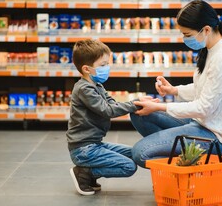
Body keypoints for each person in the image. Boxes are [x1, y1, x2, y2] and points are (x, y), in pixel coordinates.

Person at [130, 0, 222, 168]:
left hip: (215, 135)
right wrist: (173, 90)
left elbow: (204, 107)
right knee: (138, 111)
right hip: (199, 122)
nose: (184, 39)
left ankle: (182, 166)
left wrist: (160, 107)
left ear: (206, 30)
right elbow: (202, 89)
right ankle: (176, 151)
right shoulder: (210, 48)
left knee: (141, 152)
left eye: (187, 34)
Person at [67, 39, 157, 195]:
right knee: (129, 166)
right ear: (87, 69)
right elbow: (107, 110)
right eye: (102, 65)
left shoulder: (97, 86)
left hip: (95, 144)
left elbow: (113, 104)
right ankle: (85, 173)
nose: (107, 68)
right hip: (83, 149)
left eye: (107, 64)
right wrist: (135, 104)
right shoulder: (84, 89)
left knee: (135, 152)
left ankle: (89, 173)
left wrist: (138, 102)